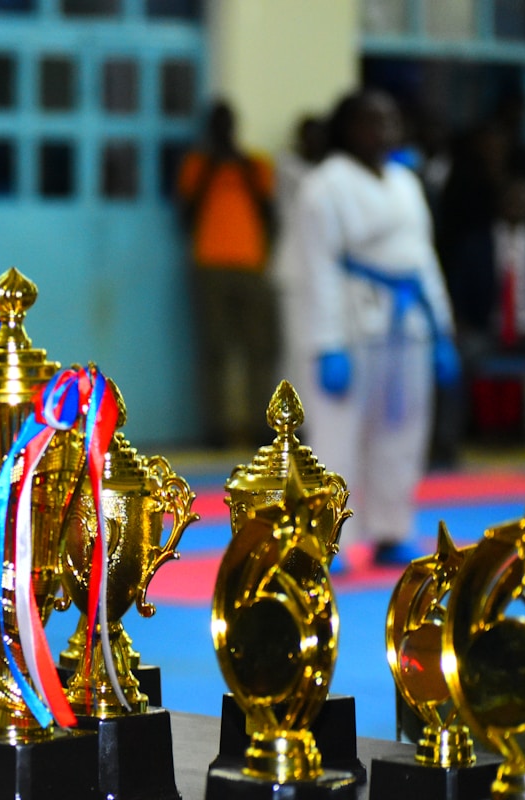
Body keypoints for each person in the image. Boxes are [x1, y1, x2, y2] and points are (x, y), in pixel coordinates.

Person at [280, 88, 460, 568]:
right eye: (369, 122)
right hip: (351, 324)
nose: (383, 131)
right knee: (338, 435)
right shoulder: (324, 186)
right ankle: (328, 534)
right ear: (345, 129)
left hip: (409, 324)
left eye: (390, 121)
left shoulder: (406, 182)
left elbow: (424, 260)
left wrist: (442, 329)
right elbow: (315, 270)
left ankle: (391, 530)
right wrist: (325, 344)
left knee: (403, 431)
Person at [177, 100, 277, 448]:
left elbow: (269, 212)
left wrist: (240, 168)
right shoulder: (197, 166)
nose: (223, 130)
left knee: (259, 348)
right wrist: (212, 170)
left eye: (227, 123)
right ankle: (217, 429)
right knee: (215, 350)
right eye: (217, 124)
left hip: (251, 265)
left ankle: (260, 424)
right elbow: (185, 214)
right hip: (209, 265)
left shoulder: (256, 165)